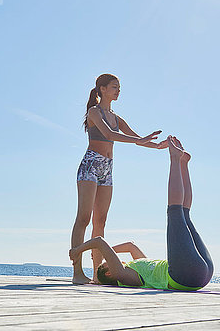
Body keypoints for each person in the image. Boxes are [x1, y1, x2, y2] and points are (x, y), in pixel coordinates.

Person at [69, 136, 213, 291]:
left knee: (184, 214)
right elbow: (98, 241)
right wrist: (77, 250)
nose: (117, 260)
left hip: (202, 273)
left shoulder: (141, 266)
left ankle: (183, 163)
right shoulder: (122, 275)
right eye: (108, 262)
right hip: (184, 274)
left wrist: (106, 252)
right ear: (110, 273)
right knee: (175, 212)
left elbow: (131, 246)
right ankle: (175, 159)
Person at [71, 73, 167, 284]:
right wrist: (139, 139)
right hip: (91, 165)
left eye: (119, 87)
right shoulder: (94, 112)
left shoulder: (117, 117)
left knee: (101, 221)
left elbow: (137, 140)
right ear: (102, 89)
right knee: (84, 218)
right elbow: (109, 135)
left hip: (107, 169)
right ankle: (77, 272)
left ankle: (97, 273)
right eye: (114, 87)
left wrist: (159, 146)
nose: (118, 90)